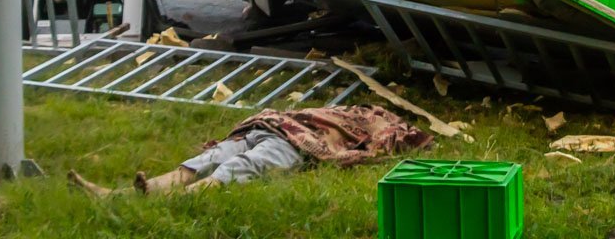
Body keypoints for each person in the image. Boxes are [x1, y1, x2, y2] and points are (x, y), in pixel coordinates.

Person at [68, 104, 432, 196]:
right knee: (210, 158)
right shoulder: (344, 114)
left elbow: (389, 142)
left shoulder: (383, 128)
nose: (366, 114)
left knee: (239, 166)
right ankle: (124, 194)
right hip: (270, 128)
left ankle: (173, 198)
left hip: (292, 146)